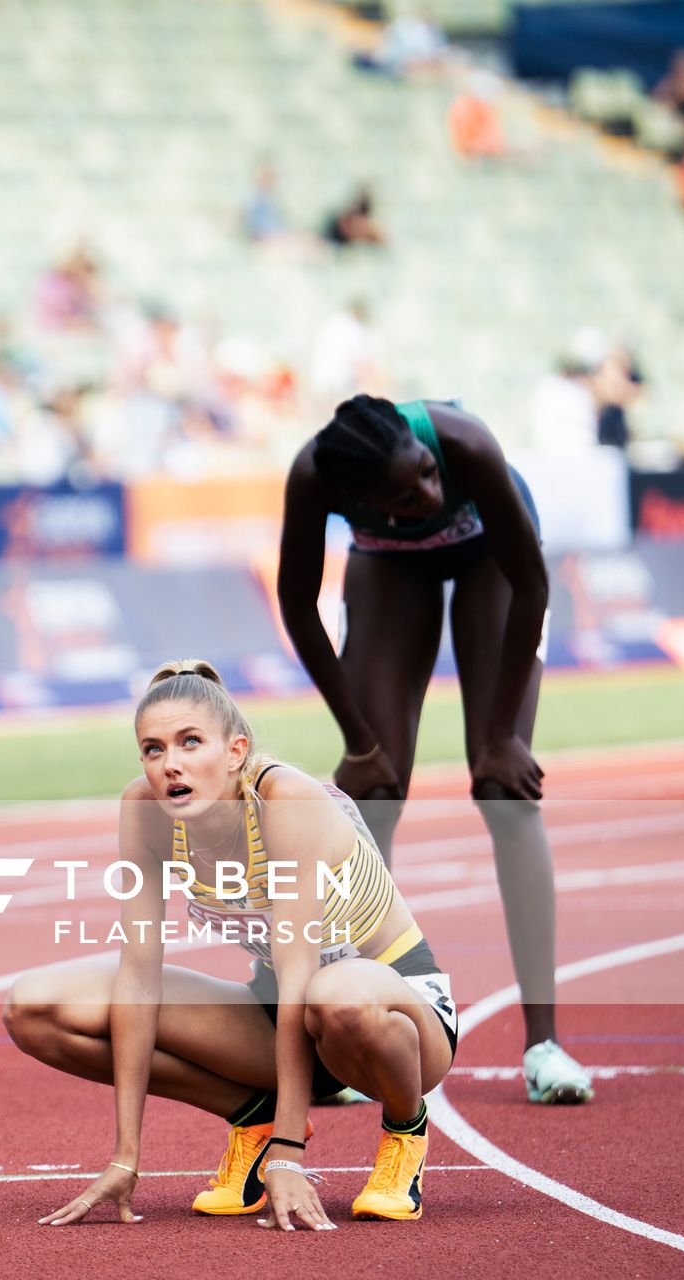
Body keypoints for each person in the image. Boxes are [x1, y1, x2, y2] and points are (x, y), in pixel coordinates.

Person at [7, 662, 459, 1229]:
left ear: (235, 750)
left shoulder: (285, 800)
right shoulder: (147, 811)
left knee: (337, 993)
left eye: (190, 742)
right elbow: (139, 976)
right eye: (152, 749)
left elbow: (302, 980)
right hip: (282, 1014)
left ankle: (404, 1130)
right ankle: (256, 1118)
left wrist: (292, 1159)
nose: (169, 763)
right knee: (36, 1007)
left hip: (396, 1014)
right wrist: (127, 1156)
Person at [275, 395, 592, 1104]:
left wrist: (503, 736)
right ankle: (357, 1029)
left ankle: (545, 1047)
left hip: (495, 562)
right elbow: (297, 606)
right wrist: (359, 741)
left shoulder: (465, 446)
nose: (429, 492)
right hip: (390, 567)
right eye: (405, 492)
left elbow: (534, 584)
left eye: (424, 474)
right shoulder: (314, 477)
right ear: (359, 497)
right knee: (371, 795)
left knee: (506, 795)